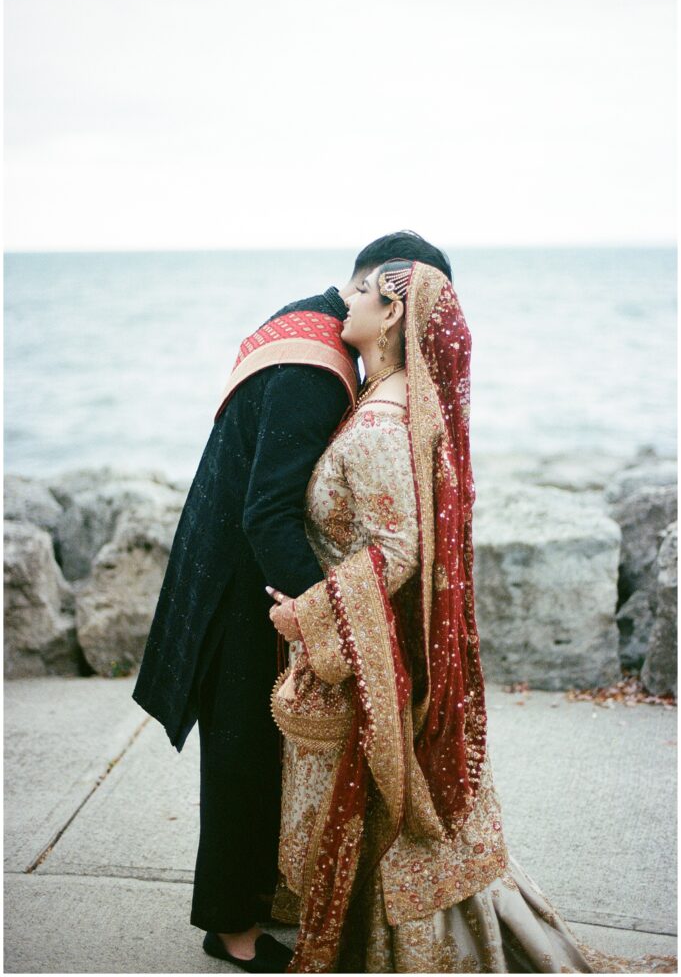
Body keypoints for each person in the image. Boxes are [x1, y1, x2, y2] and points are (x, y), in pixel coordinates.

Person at [268, 260, 678, 973]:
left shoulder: (379, 426)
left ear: (392, 314)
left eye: (362, 290)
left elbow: (396, 549)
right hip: (380, 643)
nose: (347, 296)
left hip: (367, 646)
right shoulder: (396, 402)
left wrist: (311, 614)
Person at [130, 233, 453, 972]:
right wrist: (329, 616)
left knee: (249, 751)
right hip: (239, 586)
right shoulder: (317, 369)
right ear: (383, 294)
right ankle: (231, 928)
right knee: (242, 756)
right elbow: (268, 512)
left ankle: (253, 899)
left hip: (219, 564)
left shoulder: (301, 319)